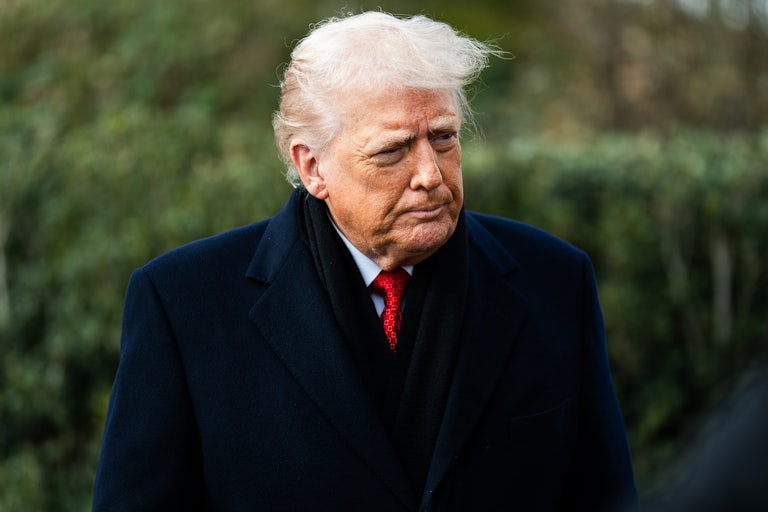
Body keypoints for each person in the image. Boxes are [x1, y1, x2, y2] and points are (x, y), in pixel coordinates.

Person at [93, 11, 637, 511]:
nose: (429, 174)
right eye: (392, 150)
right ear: (313, 167)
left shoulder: (554, 279)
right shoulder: (184, 304)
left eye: (443, 138)